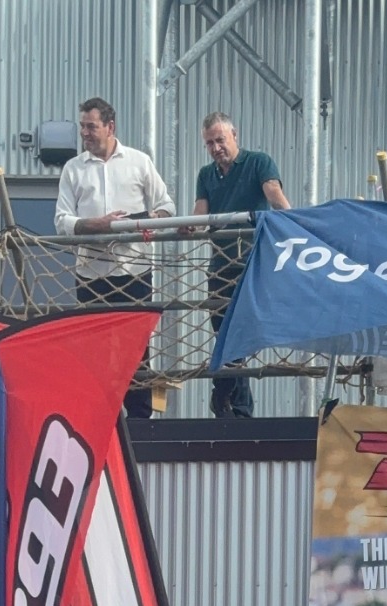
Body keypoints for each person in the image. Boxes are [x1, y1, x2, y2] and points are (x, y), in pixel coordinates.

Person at [55, 97, 175, 419]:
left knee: (136, 352)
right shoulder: (73, 169)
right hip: (91, 275)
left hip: (135, 273)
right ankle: (99, 421)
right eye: (82, 126)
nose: (84, 133)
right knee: (94, 354)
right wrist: (96, 225)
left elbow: (167, 208)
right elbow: (61, 221)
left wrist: (141, 223)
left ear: (110, 127)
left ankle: (138, 425)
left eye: (90, 126)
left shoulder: (139, 162)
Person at [191, 113, 291, 418]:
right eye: (210, 143)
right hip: (221, 264)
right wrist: (186, 226)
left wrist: (292, 222)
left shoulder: (258, 162)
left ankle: (225, 397)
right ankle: (234, 407)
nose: (216, 147)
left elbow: (273, 194)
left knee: (241, 334)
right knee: (225, 334)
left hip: (252, 262)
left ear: (235, 135)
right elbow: (199, 214)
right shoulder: (206, 175)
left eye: (220, 139)